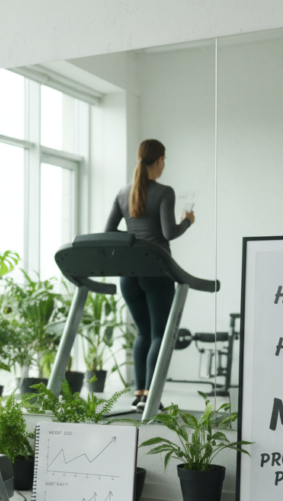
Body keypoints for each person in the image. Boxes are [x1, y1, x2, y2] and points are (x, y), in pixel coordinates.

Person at [104, 139, 194, 409]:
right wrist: (187, 221)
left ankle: (140, 395)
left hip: (128, 273)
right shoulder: (164, 192)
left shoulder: (123, 192)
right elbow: (168, 233)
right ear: (158, 161)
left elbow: (109, 232)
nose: (164, 164)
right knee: (158, 335)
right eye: (164, 159)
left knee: (142, 333)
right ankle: (152, 398)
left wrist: (134, 238)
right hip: (156, 270)